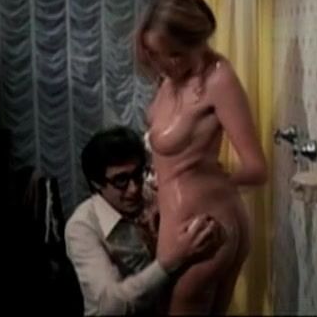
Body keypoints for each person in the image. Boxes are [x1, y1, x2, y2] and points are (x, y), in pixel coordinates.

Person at [135, 0, 268, 314]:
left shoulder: (217, 79)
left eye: (175, 54)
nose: (164, 64)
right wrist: (161, 197)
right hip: (192, 222)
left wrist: (204, 183)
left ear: (197, 41)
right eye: (154, 53)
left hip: (203, 230)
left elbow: (257, 168)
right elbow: (176, 159)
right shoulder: (172, 77)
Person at [65, 126, 225, 315]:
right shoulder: (82, 226)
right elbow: (111, 306)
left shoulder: (149, 196)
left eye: (137, 174)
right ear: (97, 183)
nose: (134, 189)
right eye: (121, 180)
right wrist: (172, 259)